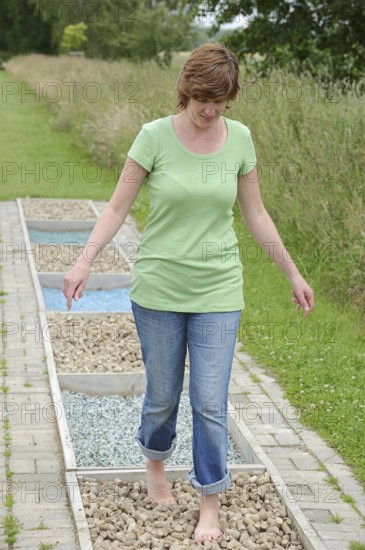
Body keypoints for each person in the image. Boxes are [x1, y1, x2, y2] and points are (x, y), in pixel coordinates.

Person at [63, 42, 315, 543]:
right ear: (186, 90)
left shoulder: (240, 139)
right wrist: (84, 259)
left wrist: (291, 271)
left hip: (219, 290)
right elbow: (114, 209)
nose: (210, 109)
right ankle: (156, 468)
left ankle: (209, 502)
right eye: (202, 98)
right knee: (162, 396)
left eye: (220, 100)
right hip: (157, 288)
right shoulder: (153, 137)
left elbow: (256, 214)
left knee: (210, 401)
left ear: (231, 98)